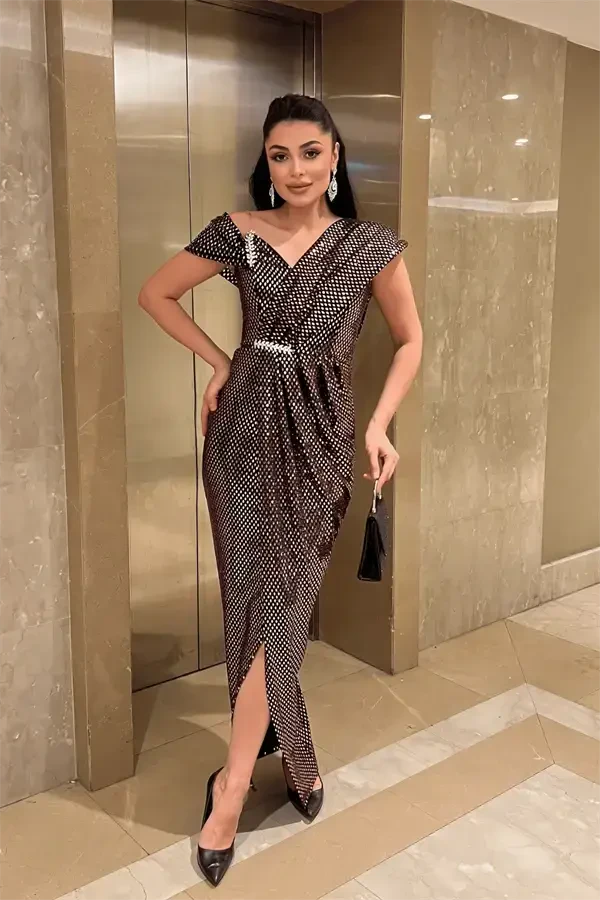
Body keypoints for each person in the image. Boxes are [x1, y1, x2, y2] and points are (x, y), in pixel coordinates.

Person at [138, 93, 422, 887]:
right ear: (266, 162)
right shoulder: (237, 232)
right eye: (279, 154)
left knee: (284, 609)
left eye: (310, 152)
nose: (295, 169)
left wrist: (380, 425)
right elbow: (155, 294)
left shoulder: (369, 246)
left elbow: (410, 339)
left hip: (323, 445)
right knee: (251, 606)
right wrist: (219, 361)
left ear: (336, 158)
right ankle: (275, 759)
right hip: (239, 441)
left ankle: (236, 782)